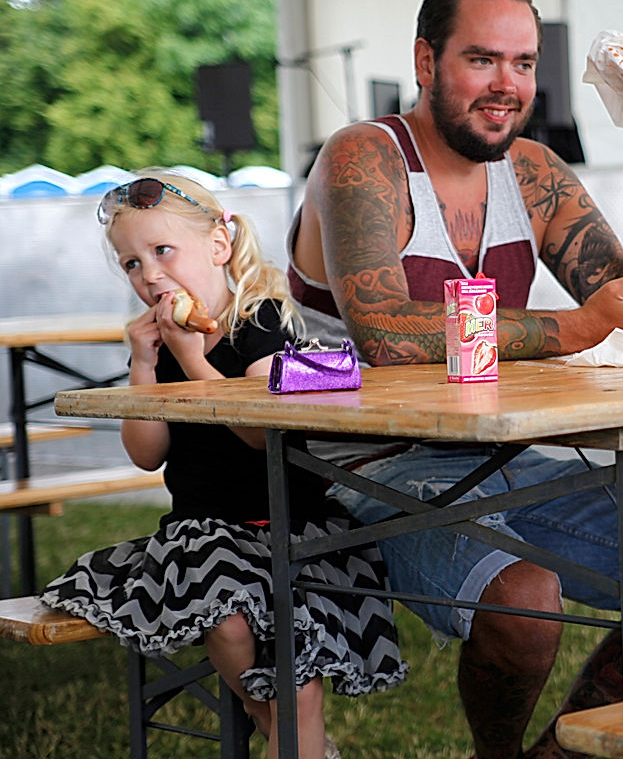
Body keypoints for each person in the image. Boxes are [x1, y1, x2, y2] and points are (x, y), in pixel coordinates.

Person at [288, 0, 623, 758]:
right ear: (426, 62)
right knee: (525, 604)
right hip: (367, 467)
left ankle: (561, 755)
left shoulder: (531, 171)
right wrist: (570, 330)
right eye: (483, 60)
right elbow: (387, 335)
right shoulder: (364, 156)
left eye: (525, 63)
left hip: (498, 451)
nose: (507, 86)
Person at [40, 171, 409, 759]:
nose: (150, 273)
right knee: (228, 618)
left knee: (298, 671)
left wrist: (194, 363)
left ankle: (289, 733)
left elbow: (262, 435)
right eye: (131, 263)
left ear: (218, 245)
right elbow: (146, 454)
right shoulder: (161, 346)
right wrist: (143, 364)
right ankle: (273, 727)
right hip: (204, 534)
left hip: (294, 531)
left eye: (162, 251)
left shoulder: (262, 325)